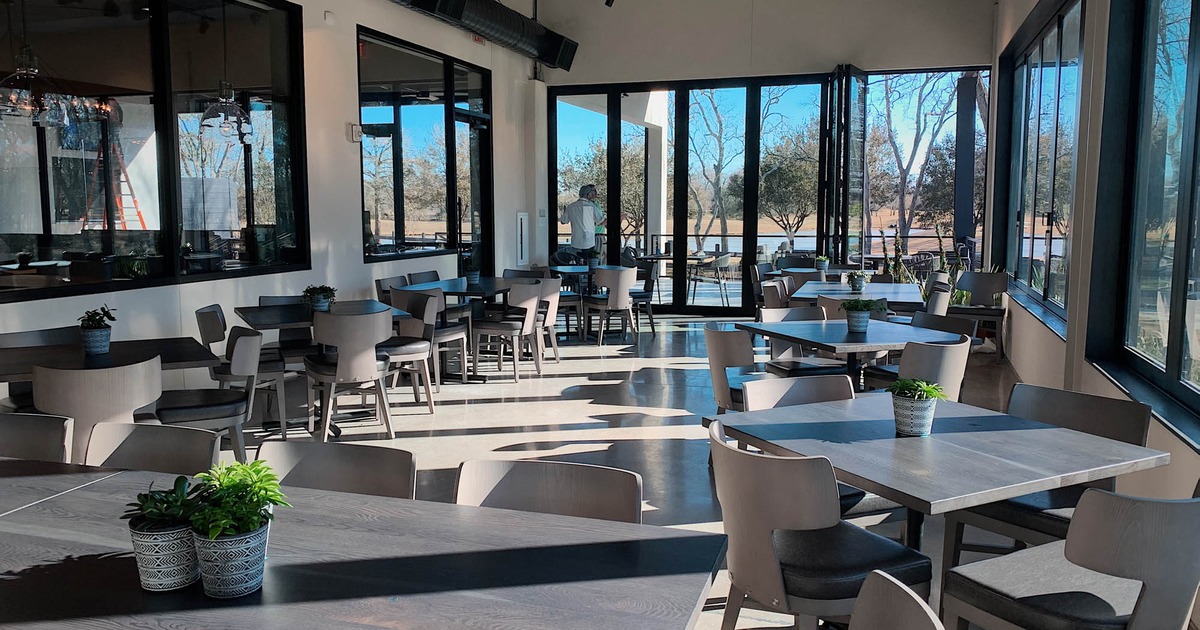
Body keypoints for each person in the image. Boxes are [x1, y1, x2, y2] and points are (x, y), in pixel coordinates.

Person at [560, 184, 605, 255]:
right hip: (589, 241)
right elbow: (599, 221)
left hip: (576, 241)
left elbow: (563, 221)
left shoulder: (571, 207)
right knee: (589, 262)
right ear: (589, 195)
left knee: (576, 261)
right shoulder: (592, 206)